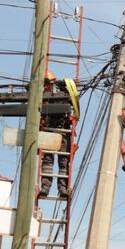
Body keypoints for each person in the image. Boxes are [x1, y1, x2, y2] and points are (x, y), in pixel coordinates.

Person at [39, 70, 73, 198]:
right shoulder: (43, 94)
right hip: (49, 130)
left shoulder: (61, 93)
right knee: (47, 160)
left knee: (63, 161)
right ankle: (45, 188)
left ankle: (62, 189)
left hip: (61, 131)